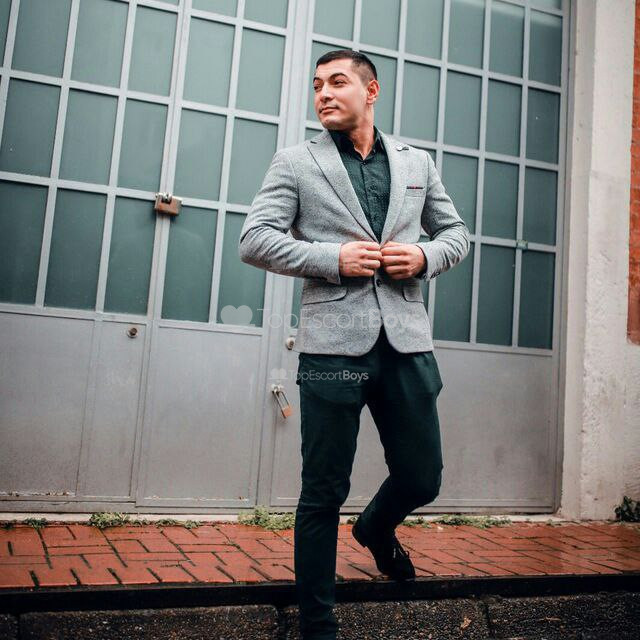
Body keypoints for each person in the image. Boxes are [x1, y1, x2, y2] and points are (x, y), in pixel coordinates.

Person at [238, 49, 470, 640]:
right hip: (333, 351)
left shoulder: (417, 162)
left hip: (407, 345)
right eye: (317, 85)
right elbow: (254, 239)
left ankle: (374, 528)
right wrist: (331, 258)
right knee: (323, 492)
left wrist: (423, 256)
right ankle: (318, 625)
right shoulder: (296, 162)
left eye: (337, 82)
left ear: (371, 90)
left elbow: (455, 234)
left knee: (422, 477)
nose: (323, 93)